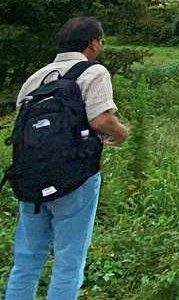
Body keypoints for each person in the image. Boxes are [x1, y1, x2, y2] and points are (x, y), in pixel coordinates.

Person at [4, 17, 128, 300]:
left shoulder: (35, 78)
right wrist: (120, 133)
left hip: (31, 178)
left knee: (26, 260)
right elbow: (100, 120)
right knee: (68, 261)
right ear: (93, 43)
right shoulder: (94, 72)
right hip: (75, 178)